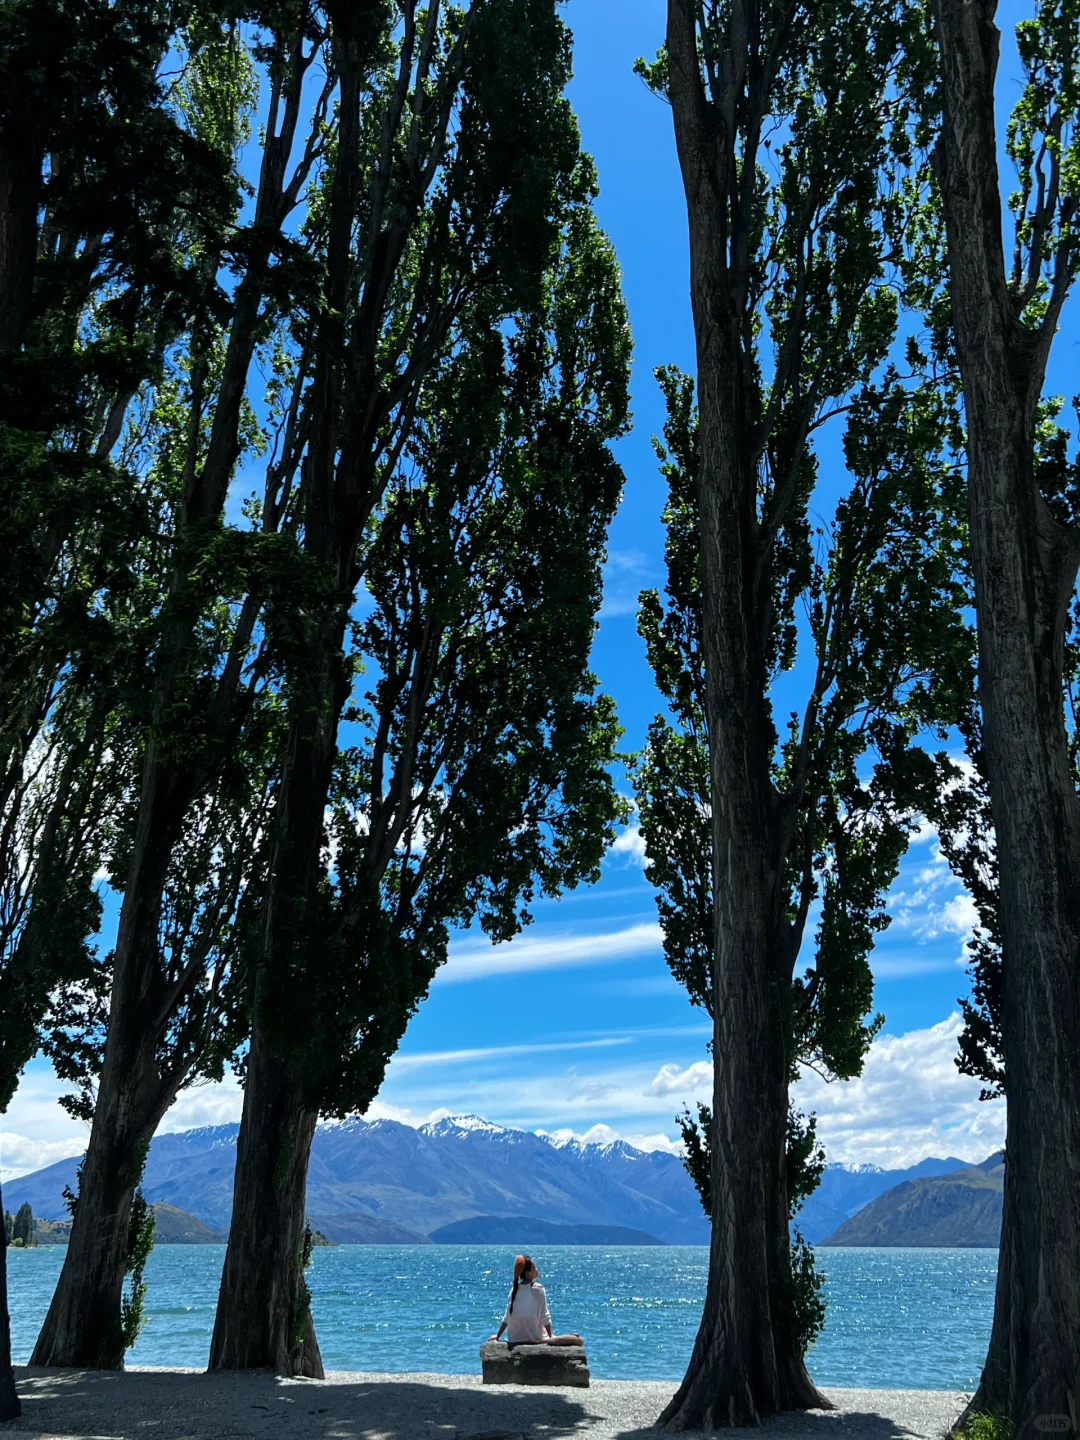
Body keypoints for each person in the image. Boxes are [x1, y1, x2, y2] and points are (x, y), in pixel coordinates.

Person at [490, 1254, 583, 1347]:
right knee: (576, 1338)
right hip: (534, 1339)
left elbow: (507, 1316)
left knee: (572, 1337)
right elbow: (545, 1314)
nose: (537, 1269)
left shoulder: (514, 1289)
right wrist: (551, 1336)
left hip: (515, 1339)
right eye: (534, 1268)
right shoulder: (537, 1289)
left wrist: (498, 1335)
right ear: (527, 1273)